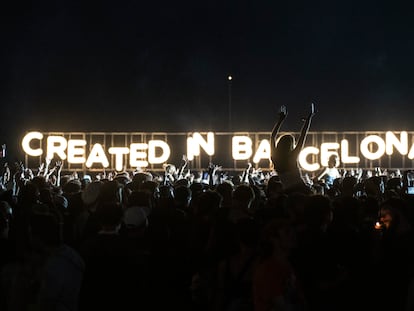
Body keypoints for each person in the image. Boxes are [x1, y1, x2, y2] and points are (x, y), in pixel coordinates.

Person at [270, 103, 316, 194]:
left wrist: (280, 120)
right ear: (291, 145)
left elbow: (272, 137)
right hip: (301, 188)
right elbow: (303, 135)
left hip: (287, 191)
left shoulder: (275, 157)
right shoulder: (293, 156)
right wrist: (309, 119)